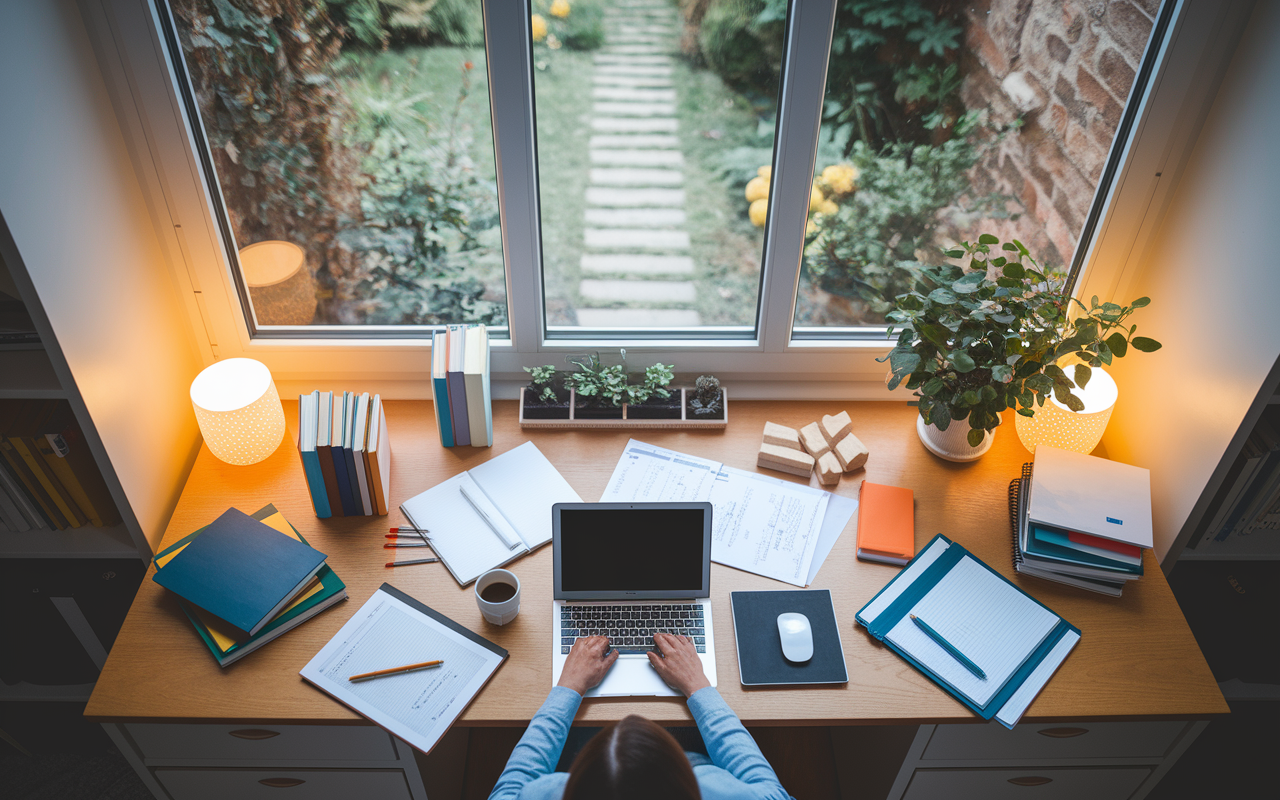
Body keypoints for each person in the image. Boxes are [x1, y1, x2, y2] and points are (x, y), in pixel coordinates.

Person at [488, 633, 792, 800]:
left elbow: (512, 785)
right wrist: (697, 685)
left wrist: (569, 686)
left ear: (573, 781)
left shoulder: (549, 793)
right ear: (687, 780)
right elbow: (765, 784)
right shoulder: (719, 791)